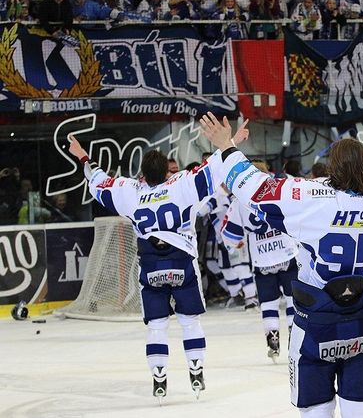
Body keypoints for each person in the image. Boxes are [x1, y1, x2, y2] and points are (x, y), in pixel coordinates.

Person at [198, 108, 363, 418]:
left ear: (332, 170)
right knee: (362, 409)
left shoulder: (308, 198)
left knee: (314, 409)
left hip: (315, 323)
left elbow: (253, 186)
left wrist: (226, 146)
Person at [66, 120, 250, 400]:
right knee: (190, 322)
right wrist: (232, 140)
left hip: (150, 267)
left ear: (142, 174)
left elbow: (98, 179)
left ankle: (159, 375)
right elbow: (216, 166)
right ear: (167, 171)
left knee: (157, 325)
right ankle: (196, 369)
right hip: (182, 264)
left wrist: (82, 154)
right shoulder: (182, 186)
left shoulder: (130, 192)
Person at [221, 161, 299, 362]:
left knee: (268, 303)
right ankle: (294, 335)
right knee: (292, 299)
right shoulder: (281, 189)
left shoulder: (240, 201)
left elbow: (229, 233)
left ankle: (272, 337)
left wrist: (235, 244)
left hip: (262, 260)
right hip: (287, 254)